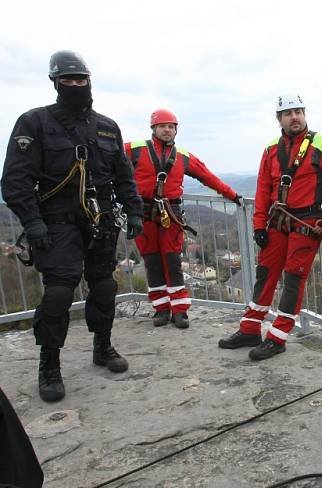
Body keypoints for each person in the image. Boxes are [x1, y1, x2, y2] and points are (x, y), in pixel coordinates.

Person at [1, 50, 144, 403]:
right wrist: (32, 222)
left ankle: (103, 347)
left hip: (100, 222)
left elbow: (124, 177)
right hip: (57, 223)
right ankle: (49, 364)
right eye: (68, 80)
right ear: (56, 83)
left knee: (104, 288)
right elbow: (15, 180)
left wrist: (134, 211)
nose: (76, 85)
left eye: (81, 79)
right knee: (59, 293)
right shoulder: (33, 123)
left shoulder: (107, 127)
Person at [218, 94, 322, 360]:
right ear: (279, 119)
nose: (294, 117)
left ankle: (278, 336)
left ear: (305, 113)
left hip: (306, 222)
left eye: (298, 111)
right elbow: (263, 189)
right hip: (276, 221)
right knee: (266, 273)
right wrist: (259, 225)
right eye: (288, 113)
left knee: (293, 280)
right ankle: (250, 328)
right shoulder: (272, 149)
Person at [125, 109, 241, 329]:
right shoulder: (134, 150)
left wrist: (232, 195)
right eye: (163, 126)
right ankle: (161, 309)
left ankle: (180, 310)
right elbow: (108, 162)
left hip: (171, 213)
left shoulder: (183, 156)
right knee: (152, 261)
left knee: (172, 261)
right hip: (144, 212)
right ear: (154, 129)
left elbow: (208, 177)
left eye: (171, 126)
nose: (167, 130)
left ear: (176, 130)